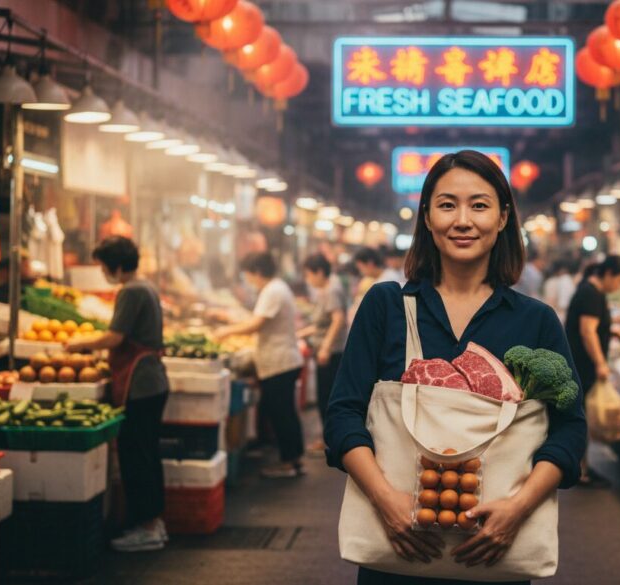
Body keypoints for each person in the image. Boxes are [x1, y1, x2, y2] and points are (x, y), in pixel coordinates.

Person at [325, 150, 586, 584]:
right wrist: (386, 501)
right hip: (397, 553)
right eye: (447, 205)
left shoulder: (535, 320)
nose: (462, 220)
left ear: (503, 218)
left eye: (479, 205)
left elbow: (570, 429)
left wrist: (518, 509)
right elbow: (343, 415)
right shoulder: (386, 306)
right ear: (426, 217)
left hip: (496, 556)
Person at [65, 236, 169, 552]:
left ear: (117, 264)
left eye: (104, 266)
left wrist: (79, 344)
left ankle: (147, 527)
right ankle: (154, 523)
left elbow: (114, 337)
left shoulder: (131, 291)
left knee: (135, 455)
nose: (103, 272)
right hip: (154, 382)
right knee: (148, 453)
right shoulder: (146, 286)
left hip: (141, 383)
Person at [214, 253, 306, 478]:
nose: (248, 279)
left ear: (256, 271)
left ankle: (288, 464)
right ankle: (293, 459)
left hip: (279, 361)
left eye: (248, 274)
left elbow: (257, 323)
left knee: (281, 413)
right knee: (284, 412)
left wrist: (226, 331)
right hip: (279, 360)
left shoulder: (273, 290)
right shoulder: (276, 288)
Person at [564, 255, 620, 487]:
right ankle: (581, 470)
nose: (619, 286)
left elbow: (593, 327)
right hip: (582, 365)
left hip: (580, 363)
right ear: (608, 274)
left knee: (582, 415)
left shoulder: (591, 292)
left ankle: (582, 466)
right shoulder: (591, 294)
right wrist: (600, 363)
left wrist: (613, 332)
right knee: (581, 417)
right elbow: (587, 331)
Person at [298, 254, 349, 452]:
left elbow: (337, 320)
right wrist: (301, 333)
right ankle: (329, 439)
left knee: (326, 398)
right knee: (326, 397)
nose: (308, 279)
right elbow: (322, 324)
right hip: (330, 350)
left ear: (319, 272)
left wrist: (326, 347)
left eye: (309, 275)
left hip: (332, 352)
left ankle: (329, 441)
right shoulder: (328, 289)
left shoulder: (331, 290)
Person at [542, 257, 578, 324]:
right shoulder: (565, 280)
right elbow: (562, 303)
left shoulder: (550, 281)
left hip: (550, 315)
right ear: (563, 269)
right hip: (560, 316)